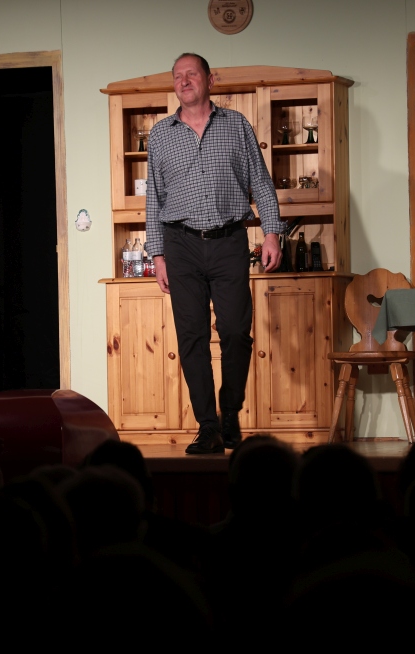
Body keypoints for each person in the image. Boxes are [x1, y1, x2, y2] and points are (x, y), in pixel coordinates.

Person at [146, 53, 283, 455]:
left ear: (210, 79)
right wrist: (158, 255)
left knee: (236, 332)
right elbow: (154, 199)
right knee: (192, 337)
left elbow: (261, 182)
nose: (184, 81)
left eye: (192, 74)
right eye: (178, 76)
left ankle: (230, 414)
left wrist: (272, 232)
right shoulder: (161, 134)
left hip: (228, 242)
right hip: (180, 244)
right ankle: (208, 427)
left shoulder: (236, 125)